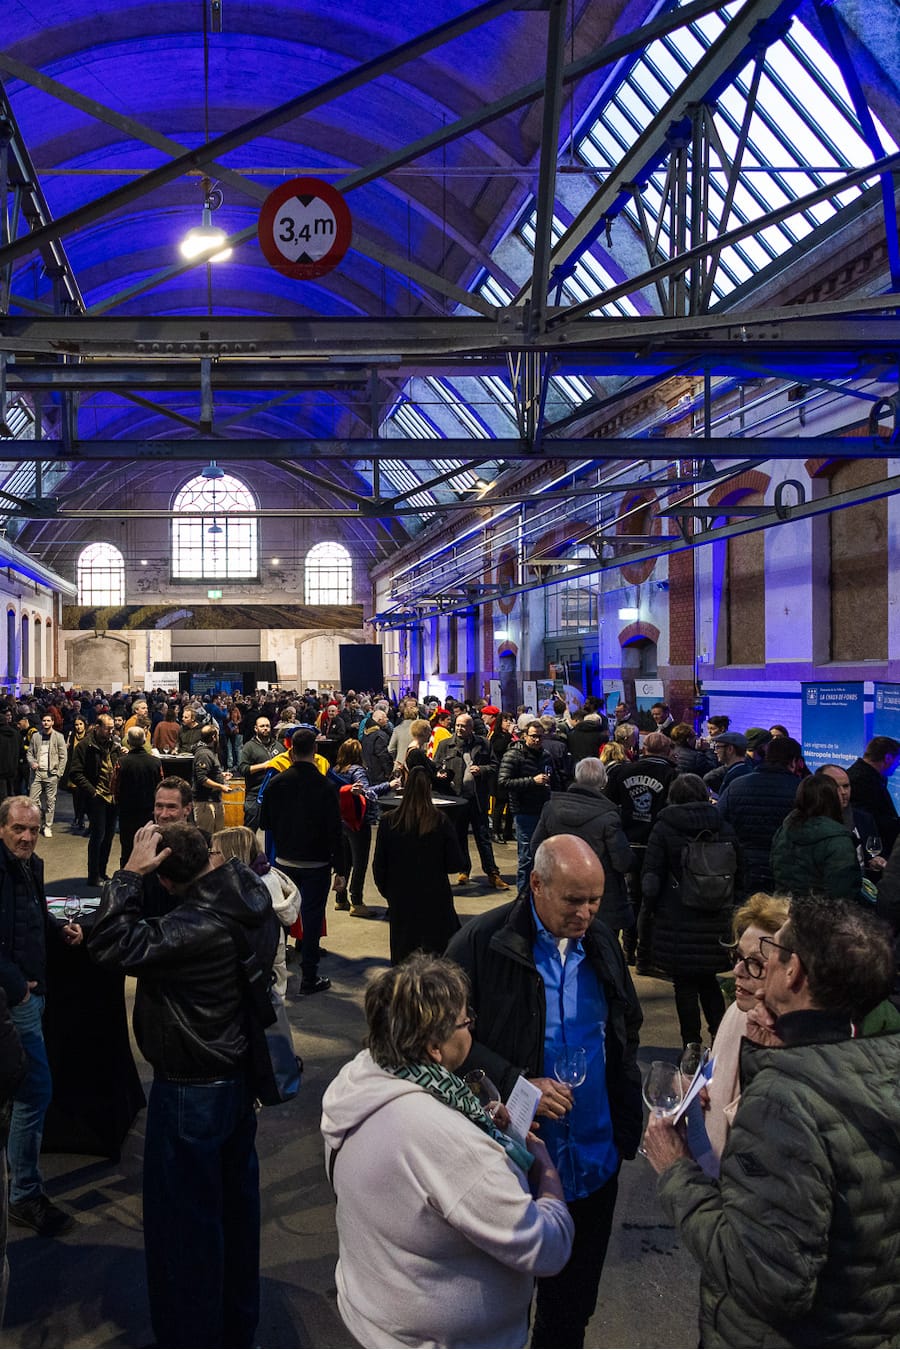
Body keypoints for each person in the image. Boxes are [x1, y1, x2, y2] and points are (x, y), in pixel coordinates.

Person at [644, 895, 900, 1348]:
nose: (747, 974)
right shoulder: (882, 1060)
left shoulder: (784, 1101)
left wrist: (676, 1171)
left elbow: (766, 1278)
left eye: (769, 955)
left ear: (792, 971)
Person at [447, 834, 643, 1349]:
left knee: (569, 1317)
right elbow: (441, 1039)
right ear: (535, 884)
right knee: (497, 1317)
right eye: (574, 900)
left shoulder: (601, 943)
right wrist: (514, 1080)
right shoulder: (481, 943)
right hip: (510, 1170)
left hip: (594, 1166)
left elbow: (626, 1025)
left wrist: (625, 1123)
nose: (586, 913)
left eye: (595, 900)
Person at [89, 821, 279, 1349]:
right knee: (235, 1217)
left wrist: (128, 875)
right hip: (236, 1084)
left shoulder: (193, 926)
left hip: (189, 1092)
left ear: (166, 881)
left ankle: (191, 1336)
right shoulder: (249, 900)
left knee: (183, 1231)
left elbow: (108, 944)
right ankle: (236, 1329)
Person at [321, 954, 574, 1349]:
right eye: (465, 1022)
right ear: (434, 1047)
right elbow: (547, 1246)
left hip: (373, 1318)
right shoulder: (444, 1141)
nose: (471, 1027)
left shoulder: (359, 1080)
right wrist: (543, 1166)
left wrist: (478, 1122)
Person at [0, 798, 82, 1236]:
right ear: (2, 828)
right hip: (18, 1001)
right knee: (35, 1094)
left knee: (21, 1093)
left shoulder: (29, 865)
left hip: (33, 993)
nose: (27, 837)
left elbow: (31, 913)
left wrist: (58, 928)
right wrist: (18, 989)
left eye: (32, 829)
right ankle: (24, 1195)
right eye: (18, 829)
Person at [640, 774, 739, 1047]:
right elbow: (740, 871)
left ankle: (691, 1046)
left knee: (684, 985)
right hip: (717, 916)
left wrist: (650, 912)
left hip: (677, 917)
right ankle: (721, 1041)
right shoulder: (723, 826)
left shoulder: (664, 828)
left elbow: (651, 878)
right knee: (709, 980)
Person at [259, 728, 346, 995]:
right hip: (317, 864)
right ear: (315, 751)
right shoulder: (326, 787)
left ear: (291, 751)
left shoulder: (276, 783)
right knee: (312, 918)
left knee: (281, 919)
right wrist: (341, 870)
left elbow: (265, 822)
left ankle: (275, 976)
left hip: (284, 862)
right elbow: (336, 831)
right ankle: (309, 977)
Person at [704, 891, 790, 1161]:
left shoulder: (799, 1042)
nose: (738, 971)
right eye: (739, 957)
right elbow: (713, 1074)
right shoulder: (737, 1012)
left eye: (755, 964)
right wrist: (696, 1088)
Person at [529, 757, 634, 936]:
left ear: (577, 777)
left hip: (558, 892)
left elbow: (536, 847)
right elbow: (622, 862)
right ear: (604, 781)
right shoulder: (609, 816)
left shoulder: (551, 807)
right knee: (599, 948)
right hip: (600, 901)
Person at [372, 766, 465, 963]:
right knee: (437, 958)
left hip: (401, 897)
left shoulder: (389, 821)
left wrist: (388, 892)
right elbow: (455, 864)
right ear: (429, 788)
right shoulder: (440, 820)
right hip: (435, 896)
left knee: (403, 956)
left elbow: (379, 865)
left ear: (405, 788)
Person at [211, 826, 300, 997]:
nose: (210, 858)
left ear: (231, 855)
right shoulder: (261, 878)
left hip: (262, 991)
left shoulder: (252, 893)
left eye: (214, 853)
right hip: (268, 987)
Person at [716, 735, 804, 897]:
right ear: (793, 762)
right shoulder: (800, 791)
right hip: (784, 869)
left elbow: (719, 821)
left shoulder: (737, 786)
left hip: (744, 867)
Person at [434, 712, 508, 890]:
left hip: (477, 798)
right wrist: (440, 774)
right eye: (457, 725)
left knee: (483, 837)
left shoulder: (484, 744)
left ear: (471, 728)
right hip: (456, 799)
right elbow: (435, 765)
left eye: (463, 726)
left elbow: (494, 766)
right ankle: (463, 870)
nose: (459, 729)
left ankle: (492, 873)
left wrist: (481, 769)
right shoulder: (445, 745)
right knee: (459, 836)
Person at [330, 737, 398, 918]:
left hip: (341, 821)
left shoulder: (336, 770)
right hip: (358, 823)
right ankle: (357, 902)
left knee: (344, 863)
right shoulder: (358, 771)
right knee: (360, 863)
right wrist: (388, 786)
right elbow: (367, 792)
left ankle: (340, 898)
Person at [769, 772, 863, 903]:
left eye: (846, 786)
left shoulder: (784, 831)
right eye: (838, 790)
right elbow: (843, 891)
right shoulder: (837, 840)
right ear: (832, 799)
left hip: (783, 908)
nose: (843, 793)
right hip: (823, 912)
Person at [498, 719, 554, 897]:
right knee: (527, 857)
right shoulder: (513, 755)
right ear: (525, 736)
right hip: (523, 811)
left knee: (543, 856)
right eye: (533, 736)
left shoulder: (546, 755)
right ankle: (522, 897)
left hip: (543, 810)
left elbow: (555, 778)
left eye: (540, 737)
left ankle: (539, 896)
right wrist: (532, 781)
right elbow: (503, 782)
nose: (536, 740)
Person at [69, 712, 121, 886]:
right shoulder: (85, 746)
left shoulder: (114, 745)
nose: (111, 731)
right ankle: (93, 876)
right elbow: (75, 773)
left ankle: (102, 872)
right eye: (108, 728)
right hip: (97, 798)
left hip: (112, 798)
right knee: (98, 836)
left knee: (108, 837)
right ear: (98, 727)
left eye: (113, 728)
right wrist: (93, 792)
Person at [116, 727, 163, 867]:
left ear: (128, 742)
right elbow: (161, 786)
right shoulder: (156, 762)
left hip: (127, 812)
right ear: (144, 741)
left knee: (127, 849)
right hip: (149, 812)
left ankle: (125, 876)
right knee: (149, 846)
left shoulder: (121, 762)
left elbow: (114, 787)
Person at [847, 735, 900, 853]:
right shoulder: (862, 780)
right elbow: (870, 820)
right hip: (872, 850)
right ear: (888, 758)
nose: (898, 765)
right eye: (898, 760)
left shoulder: (869, 776)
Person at [26, 713, 67, 838]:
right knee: (33, 800)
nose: (46, 723)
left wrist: (59, 773)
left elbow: (63, 756)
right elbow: (29, 753)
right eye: (44, 720)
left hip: (52, 774)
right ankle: (40, 819)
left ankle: (48, 826)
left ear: (53, 722)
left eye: (48, 720)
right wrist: (32, 762)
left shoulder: (58, 737)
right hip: (37, 773)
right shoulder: (36, 736)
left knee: (50, 801)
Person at [191, 723, 234, 835]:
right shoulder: (204, 754)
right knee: (206, 836)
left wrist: (220, 775)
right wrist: (221, 786)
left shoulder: (210, 752)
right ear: (214, 737)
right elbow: (202, 778)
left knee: (218, 836)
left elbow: (209, 772)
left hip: (214, 799)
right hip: (205, 802)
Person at [237, 714, 278, 828]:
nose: (265, 728)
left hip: (275, 795)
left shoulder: (278, 746)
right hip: (255, 795)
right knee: (250, 831)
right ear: (256, 728)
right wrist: (263, 766)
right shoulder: (249, 747)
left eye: (267, 726)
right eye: (262, 726)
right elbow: (242, 769)